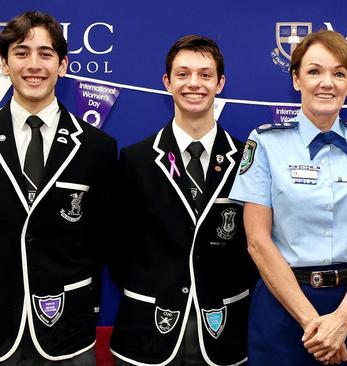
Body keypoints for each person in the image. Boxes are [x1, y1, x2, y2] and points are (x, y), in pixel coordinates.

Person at [229, 29, 347, 365]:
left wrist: (343, 319)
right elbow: (257, 241)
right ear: (296, 79)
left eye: (339, 74)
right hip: (284, 306)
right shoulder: (265, 143)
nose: (327, 83)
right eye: (314, 71)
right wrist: (314, 324)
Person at [108, 35, 255, 366]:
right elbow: (116, 247)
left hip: (224, 330)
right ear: (167, 82)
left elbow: (257, 245)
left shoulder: (249, 160)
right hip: (147, 330)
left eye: (205, 75)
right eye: (183, 74)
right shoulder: (136, 159)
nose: (194, 84)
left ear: (220, 83)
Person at [0, 11, 117, 365]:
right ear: (5, 65)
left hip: (69, 330)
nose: (33, 64)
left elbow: (104, 239)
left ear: (63, 65)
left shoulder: (97, 146)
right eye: (21, 52)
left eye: (45, 53)